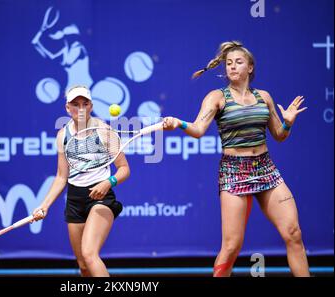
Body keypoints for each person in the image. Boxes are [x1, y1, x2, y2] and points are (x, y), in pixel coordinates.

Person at [163, 41, 310, 277]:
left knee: (293, 233)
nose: (232, 67)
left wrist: (288, 123)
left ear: (250, 67)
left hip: (266, 168)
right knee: (231, 247)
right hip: (233, 172)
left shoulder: (264, 97)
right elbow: (198, 129)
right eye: (229, 63)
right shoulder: (216, 97)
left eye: (238, 62)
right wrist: (178, 123)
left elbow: (279, 136)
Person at [31, 85, 130, 277]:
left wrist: (108, 182)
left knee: (90, 254)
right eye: (75, 105)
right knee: (83, 265)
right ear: (68, 108)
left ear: (91, 106)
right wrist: (44, 206)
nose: (81, 109)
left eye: (85, 104)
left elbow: (124, 169)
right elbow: (61, 177)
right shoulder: (62, 136)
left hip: (101, 198)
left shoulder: (104, 131)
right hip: (75, 200)